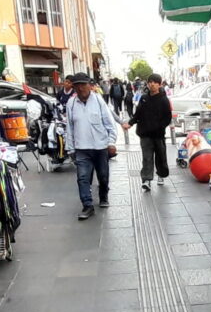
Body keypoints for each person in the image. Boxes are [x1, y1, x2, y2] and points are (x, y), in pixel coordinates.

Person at [65, 72, 117, 220]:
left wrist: (111, 142)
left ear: (90, 86)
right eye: (77, 85)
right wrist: (70, 148)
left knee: (103, 176)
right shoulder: (71, 104)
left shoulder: (98, 100)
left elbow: (109, 123)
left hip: (100, 147)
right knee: (82, 178)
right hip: (82, 148)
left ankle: (103, 195)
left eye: (83, 84)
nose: (81, 88)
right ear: (74, 88)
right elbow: (69, 127)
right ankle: (87, 205)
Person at [122, 73, 172, 192]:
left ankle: (161, 174)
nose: (152, 84)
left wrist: (160, 127)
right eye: (150, 82)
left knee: (161, 156)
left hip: (158, 135)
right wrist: (130, 123)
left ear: (159, 84)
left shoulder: (164, 99)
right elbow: (138, 114)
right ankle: (147, 180)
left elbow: (167, 118)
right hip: (145, 134)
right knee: (147, 157)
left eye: (155, 82)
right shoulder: (144, 98)